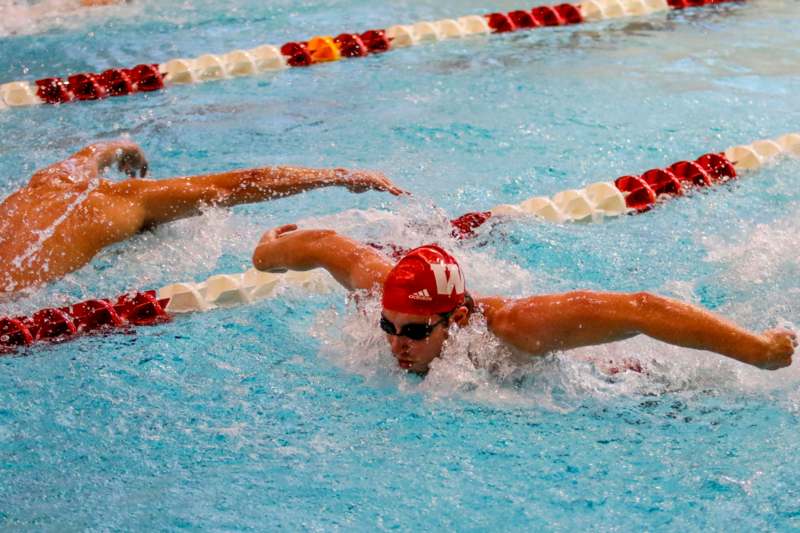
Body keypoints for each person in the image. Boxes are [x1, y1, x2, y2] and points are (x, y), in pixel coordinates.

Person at [252, 224, 797, 374]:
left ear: (457, 317)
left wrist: (760, 351)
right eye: (389, 327)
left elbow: (641, 308)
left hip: (607, 372)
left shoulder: (516, 326)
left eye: (417, 332)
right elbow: (327, 246)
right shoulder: (388, 290)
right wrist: (267, 251)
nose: (398, 343)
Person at [0, 140, 404, 293]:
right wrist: (337, 176)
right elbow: (246, 183)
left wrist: (121, 148)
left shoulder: (46, 182)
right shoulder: (129, 200)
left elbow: (91, 154)